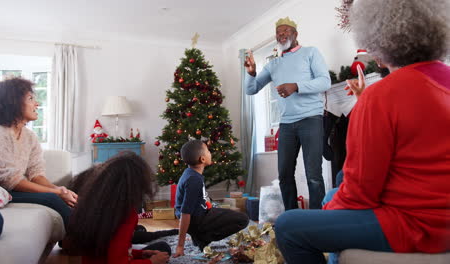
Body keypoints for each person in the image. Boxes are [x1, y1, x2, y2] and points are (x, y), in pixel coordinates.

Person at [275, 0, 450, 263]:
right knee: (336, 189)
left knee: (288, 225)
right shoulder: (439, 81)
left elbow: (360, 193)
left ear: (379, 46)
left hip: (418, 226)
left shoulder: (383, 95)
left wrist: (327, 211)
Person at [244, 17, 331, 210]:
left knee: (313, 174)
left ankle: (317, 219)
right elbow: (251, 90)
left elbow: (325, 82)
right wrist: (250, 73)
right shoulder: (273, 64)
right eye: (278, 32)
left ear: (295, 34)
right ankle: (293, 217)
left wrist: (296, 86)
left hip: (311, 119)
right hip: (286, 124)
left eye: (285, 31)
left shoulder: (311, 53)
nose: (281, 35)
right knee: (284, 174)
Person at [0, 77, 77, 227]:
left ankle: (75, 237)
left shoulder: (29, 136)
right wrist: (56, 193)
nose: (37, 104)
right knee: (52, 198)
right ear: (13, 102)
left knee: (66, 195)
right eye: (31, 98)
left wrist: (59, 189)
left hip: (13, 189)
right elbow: (9, 180)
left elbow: (36, 173)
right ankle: (81, 238)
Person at [67, 152, 171, 264]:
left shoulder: (93, 204)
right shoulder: (125, 214)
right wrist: (151, 262)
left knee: (160, 248)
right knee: (163, 249)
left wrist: (139, 254)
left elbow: (110, 250)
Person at [173, 140, 249, 257]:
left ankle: (199, 235)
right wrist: (180, 245)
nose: (210, 153)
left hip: (200, 214)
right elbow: (185, 213)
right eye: (208, 151)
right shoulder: (194, 180)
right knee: (242, 220)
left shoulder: (190, 173)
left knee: (228, 214)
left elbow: (199, 200)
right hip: (196, 220)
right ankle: (202, 237)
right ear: (202, 159)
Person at [68, 165, 178, 245]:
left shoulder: (92, 189)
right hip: (100, 237)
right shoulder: (111, 209)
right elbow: (118, 259)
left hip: (89, 235)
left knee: (140, 229)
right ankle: (172, 232)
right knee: (159, 245)